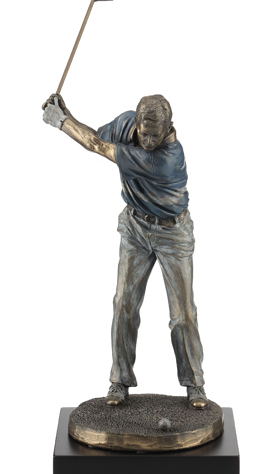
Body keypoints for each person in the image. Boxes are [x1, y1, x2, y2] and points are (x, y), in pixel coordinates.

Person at [42, 94, 207, 409]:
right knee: (123, 303)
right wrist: (67, 113)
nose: (148, 141)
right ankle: (119, 379)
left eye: (155, 136)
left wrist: (60, 122)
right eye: (144, 133)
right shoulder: (126, 124)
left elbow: (97, 146)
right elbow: (96, 135)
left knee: (183, 313)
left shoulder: (169, 157)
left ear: (169, 128)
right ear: (137, 123)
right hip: (134, 227)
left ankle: (194, 382)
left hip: (172, 234)